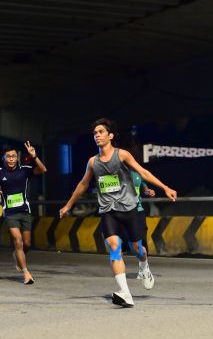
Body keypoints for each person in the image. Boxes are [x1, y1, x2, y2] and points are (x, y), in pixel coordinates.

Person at [59, 118, 177, 308]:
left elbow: (143, 173)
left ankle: (144, 266)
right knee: (114, 247)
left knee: (138, 249)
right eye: (95, 133)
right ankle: (126, 294)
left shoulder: (122, 155)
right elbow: (83, 184)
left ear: (110, 136)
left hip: (129, 209)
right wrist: (68, 205)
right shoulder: (93, 162)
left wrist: (165, 187)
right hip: (108, 211)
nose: (97, 135)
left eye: (101, 132)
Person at [0, 142, 47, 285]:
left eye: (13, 156)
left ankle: (17, 255)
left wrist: (34, 156)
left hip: (25, 211)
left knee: (27, 243)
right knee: (18, 240)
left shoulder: (25, 170)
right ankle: (26, 273)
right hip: (10, 212)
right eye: (8, 156)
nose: (11, 159)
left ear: (17, 158)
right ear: (4, 158)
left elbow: (43, 169)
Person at [130, 170, 155, 279]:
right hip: (123, 211)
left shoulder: (137, 174)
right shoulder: (117, 172)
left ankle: (143, 268)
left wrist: (148, 191)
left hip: (138, 211)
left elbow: (145, 189)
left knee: (142, 240)